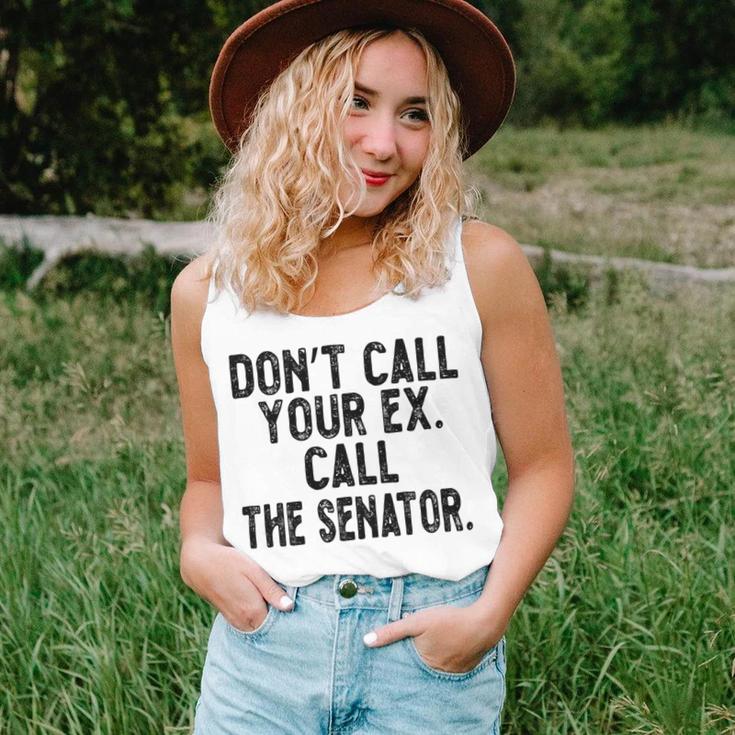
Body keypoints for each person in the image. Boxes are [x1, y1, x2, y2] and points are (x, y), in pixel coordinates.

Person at [170, 1, 575, 732]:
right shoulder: (208, 294)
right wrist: (198, 551)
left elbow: (544, 465)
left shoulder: (476, 266)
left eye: (415, 114)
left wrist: (486, 615)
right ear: (292, 107)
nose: (383, 142)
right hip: (263, 655)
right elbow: (209, 481)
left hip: (425, 657)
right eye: (356, 101)